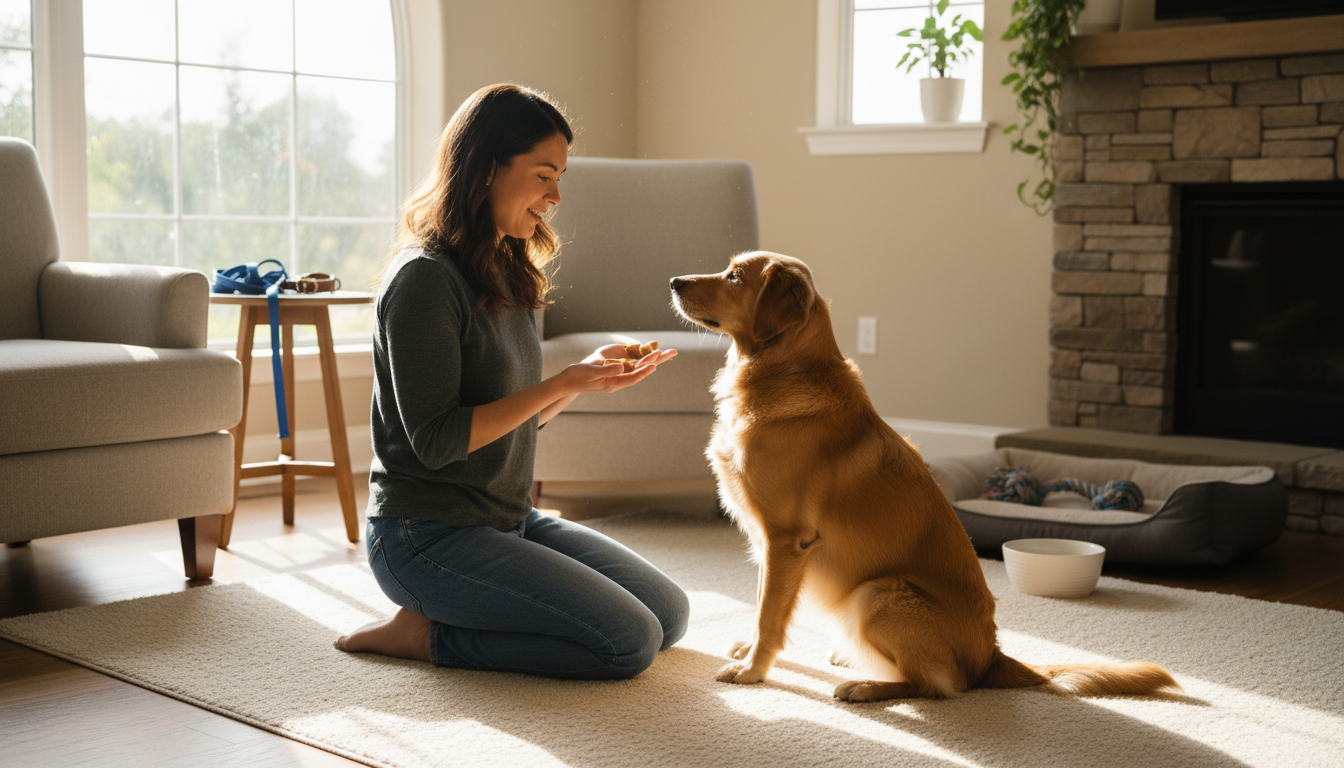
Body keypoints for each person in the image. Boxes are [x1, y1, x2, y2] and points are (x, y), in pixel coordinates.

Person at [335, 84, 689, 679]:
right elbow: (439, 441)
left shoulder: (506, 264)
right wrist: (560, 382)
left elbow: (513, 418)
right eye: (544, 175)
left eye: (561, 178)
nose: (555, 197)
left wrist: (584, 379)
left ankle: (468, 611)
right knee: (628, 644)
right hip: (424, 537)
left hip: (508, 519)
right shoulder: (423, 280)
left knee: (669, 617)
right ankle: (426, 636)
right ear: (486, 168)